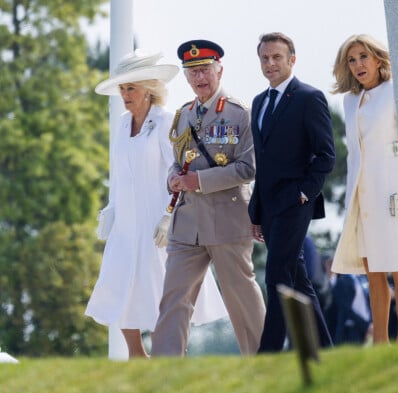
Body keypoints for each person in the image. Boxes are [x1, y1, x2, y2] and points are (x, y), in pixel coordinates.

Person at [86, 49, 226, 358]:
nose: (125, 95)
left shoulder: (167, 122)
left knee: (165, 292)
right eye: (122, 89)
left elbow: (179, 172)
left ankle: (175, 355)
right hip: (126, 224)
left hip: (158, 224)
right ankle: (137, 356)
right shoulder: (122, 125)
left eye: (131, 88)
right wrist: (111, 208)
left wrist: (170, 216)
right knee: (117, 285)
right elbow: (120, 171)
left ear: (149, 89)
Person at [150, 39, 266, 356]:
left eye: (205, 70)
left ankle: (262, 361)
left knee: (240, 294)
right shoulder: (183, 114)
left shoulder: (240, 114)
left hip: (228, 220)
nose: (200, 78)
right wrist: (173, 177)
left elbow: (248, 168)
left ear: (219, 70)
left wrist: (196, 180)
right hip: (187, 224)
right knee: (174, 296)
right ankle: (164, 370)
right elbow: (178, 159)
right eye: (193, 72)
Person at [249, 32, 336, 352]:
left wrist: (304, 194)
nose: (270, 63)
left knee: (276, 278)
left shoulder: (308, 98)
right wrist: (255, 213)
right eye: (264, 58)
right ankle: (325, 354)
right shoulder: (258, 102)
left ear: (291, 60)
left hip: (295, 203)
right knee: (297, 281)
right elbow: (263, 165)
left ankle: (267, 357)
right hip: (269, 207)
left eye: (276, 57)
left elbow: (327, 155)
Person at [330, 34, 398, 345]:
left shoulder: (396, 92)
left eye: (363, 57)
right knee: (374, 273)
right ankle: (381, 343)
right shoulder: (349, 101)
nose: (358, 65)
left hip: (394, 197)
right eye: (351, 60)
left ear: (378, 59)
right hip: (361, 198)